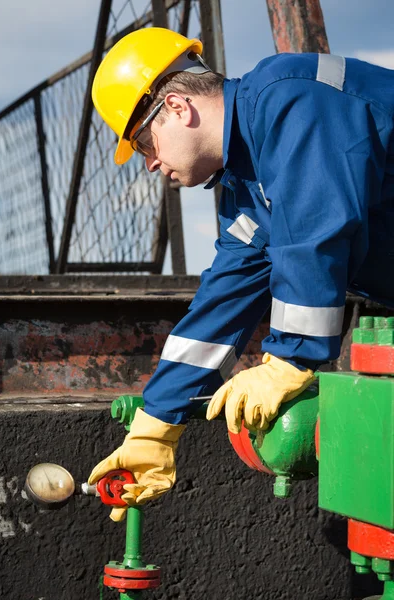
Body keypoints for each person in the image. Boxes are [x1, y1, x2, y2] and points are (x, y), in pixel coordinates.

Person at [88, 27, 394, 521]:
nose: (150, 163)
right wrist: (155, 424)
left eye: (145, 142)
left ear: (176, 107)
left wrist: (289, 359)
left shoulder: (289, 98)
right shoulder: (247, 187)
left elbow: (316, 224)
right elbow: (224, 300)